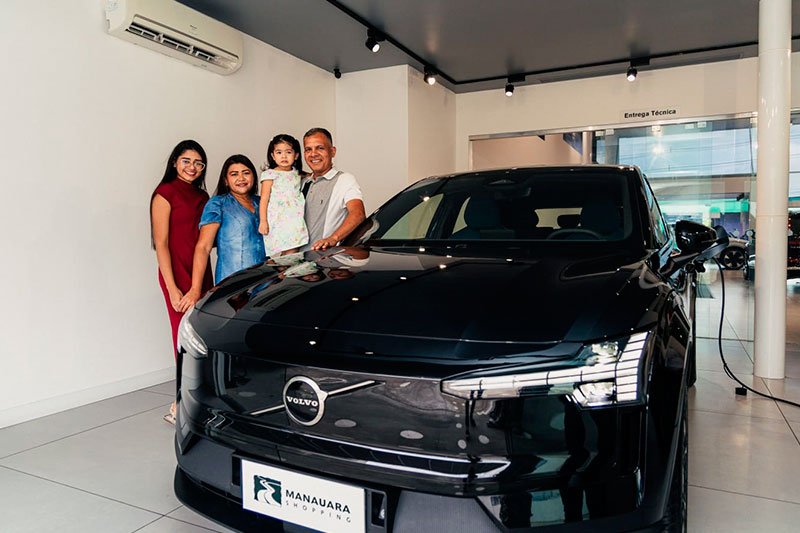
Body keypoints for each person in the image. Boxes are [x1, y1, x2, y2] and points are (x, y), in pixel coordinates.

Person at [150, 140, 213, 424]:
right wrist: (173, 288)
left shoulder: (203, 196)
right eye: (187, 161)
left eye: (198, 163)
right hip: (175, 274)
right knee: (183, 340)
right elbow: (161, 244)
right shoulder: (165, 193)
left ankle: (201, 401)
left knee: (203, 339)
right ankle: (180, 405)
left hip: (201, 273)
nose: (192, 167)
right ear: (175, 161)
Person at [181, 155, 266, 309]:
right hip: (232, 284)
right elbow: (203, 247)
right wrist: (195, 290)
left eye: (246, 173)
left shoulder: (262, 202)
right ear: (226, 181)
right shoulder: (218, 203)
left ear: (253, 176)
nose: (241, 178)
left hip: (264, 282)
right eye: (234, 174)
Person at [301, 128, 366, 250]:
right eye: (308, 149)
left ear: (332, 151)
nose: (313, 154)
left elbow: (358, 214)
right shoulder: (302, 183)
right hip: (297, 258)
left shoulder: (345, 180)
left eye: (320, 148)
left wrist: (333, 238)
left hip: (322, 257)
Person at [258, 134, 309, 257]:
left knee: (293, 249)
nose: (284, 156)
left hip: (294, 218)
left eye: (288, 152)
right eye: (279, 152)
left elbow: (311, 175)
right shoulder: (270, 174)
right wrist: (263, 221)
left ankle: (284, 268)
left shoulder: (297, 174)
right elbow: (264, 199)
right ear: (273, 156)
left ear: (296, 155)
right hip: (278, 219)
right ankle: (281, 269)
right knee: (284, 251)